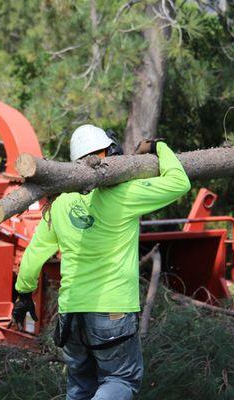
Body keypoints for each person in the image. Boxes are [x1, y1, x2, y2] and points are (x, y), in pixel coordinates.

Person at [11, 124, 191, 400]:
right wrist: (158, 147)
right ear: (111, 152)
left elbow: (34, 253)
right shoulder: (124, 194)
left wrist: (24, 293)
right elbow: (180, 182)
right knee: (121, 379)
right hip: (112, 309)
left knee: (79, 387)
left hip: (71, 313)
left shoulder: (61, 203)